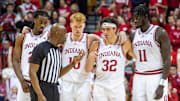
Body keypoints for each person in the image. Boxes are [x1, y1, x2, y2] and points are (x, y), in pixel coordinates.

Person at [29, 23, 85, 101]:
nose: (66, 37)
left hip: (54, 88)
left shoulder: (57, 50)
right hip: (42, 87)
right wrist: (39, 94)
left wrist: (73, 64)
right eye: (64, 34)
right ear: (57, 33)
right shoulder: (41, 48)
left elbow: (58, 74)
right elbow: (32, 73)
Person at [85, 17, 136, 101]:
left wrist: (123, 33)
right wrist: (90, 57)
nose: (105, 32)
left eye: (108, 29)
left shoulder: (124, 44)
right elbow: (87, 69)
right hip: (100, 86)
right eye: (103, 29)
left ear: (115, 29)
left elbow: (136, 58)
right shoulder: (96, 44)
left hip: (117, 87)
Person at [131, 5, 170, 101]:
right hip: (139, 76)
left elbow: (167, 59)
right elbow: (133, 55)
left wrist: (162, 83)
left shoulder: (160, 32)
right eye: (133, 18)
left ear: (145, 16)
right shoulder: (133, 34)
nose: (135, 20)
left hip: (155, 76)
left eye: (137, 17)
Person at [61, 12, 100, 101]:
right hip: (67, 81)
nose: (78, 30)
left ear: (84, 25)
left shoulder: (90, 38)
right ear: (70, 25)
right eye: (75, 26)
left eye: (80, 27)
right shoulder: (63, 38)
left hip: (84, 82)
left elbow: (107, 41)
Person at [12, 10, 49, 101]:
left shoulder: (49, 37)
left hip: (41, 83)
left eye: (45, 23)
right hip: (25, 81)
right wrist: (21, 81)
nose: (43, 25)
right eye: (41, 22)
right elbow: (16, 61)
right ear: (35, 19)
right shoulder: (23, 37)